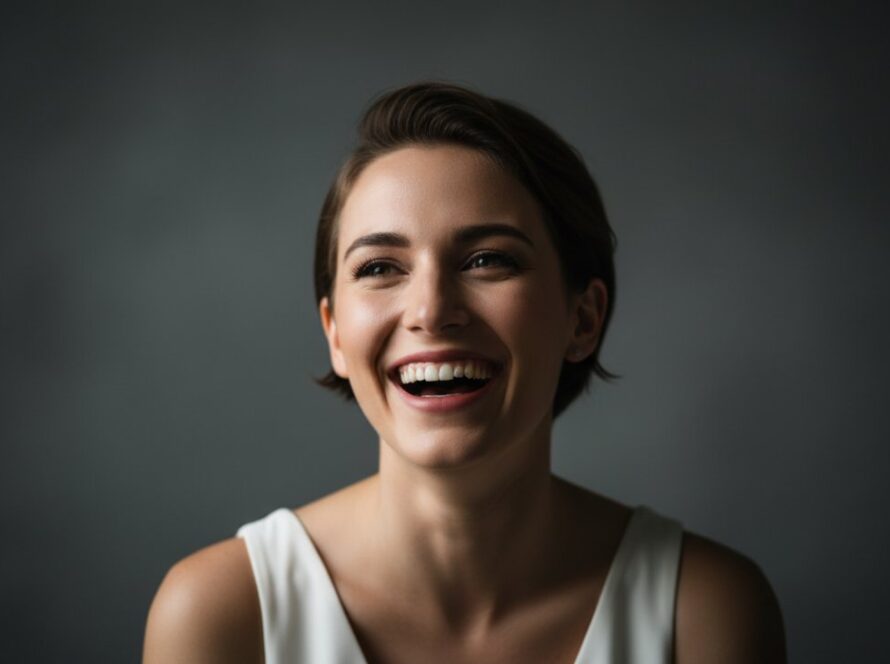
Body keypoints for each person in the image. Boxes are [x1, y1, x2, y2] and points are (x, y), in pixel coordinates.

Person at [143, 82, 786, 663]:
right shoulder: (221, 615)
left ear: (582, 320)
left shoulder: (704, 612)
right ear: (335, 332)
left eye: (486, 260)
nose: (431, 311)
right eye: (379, 268)